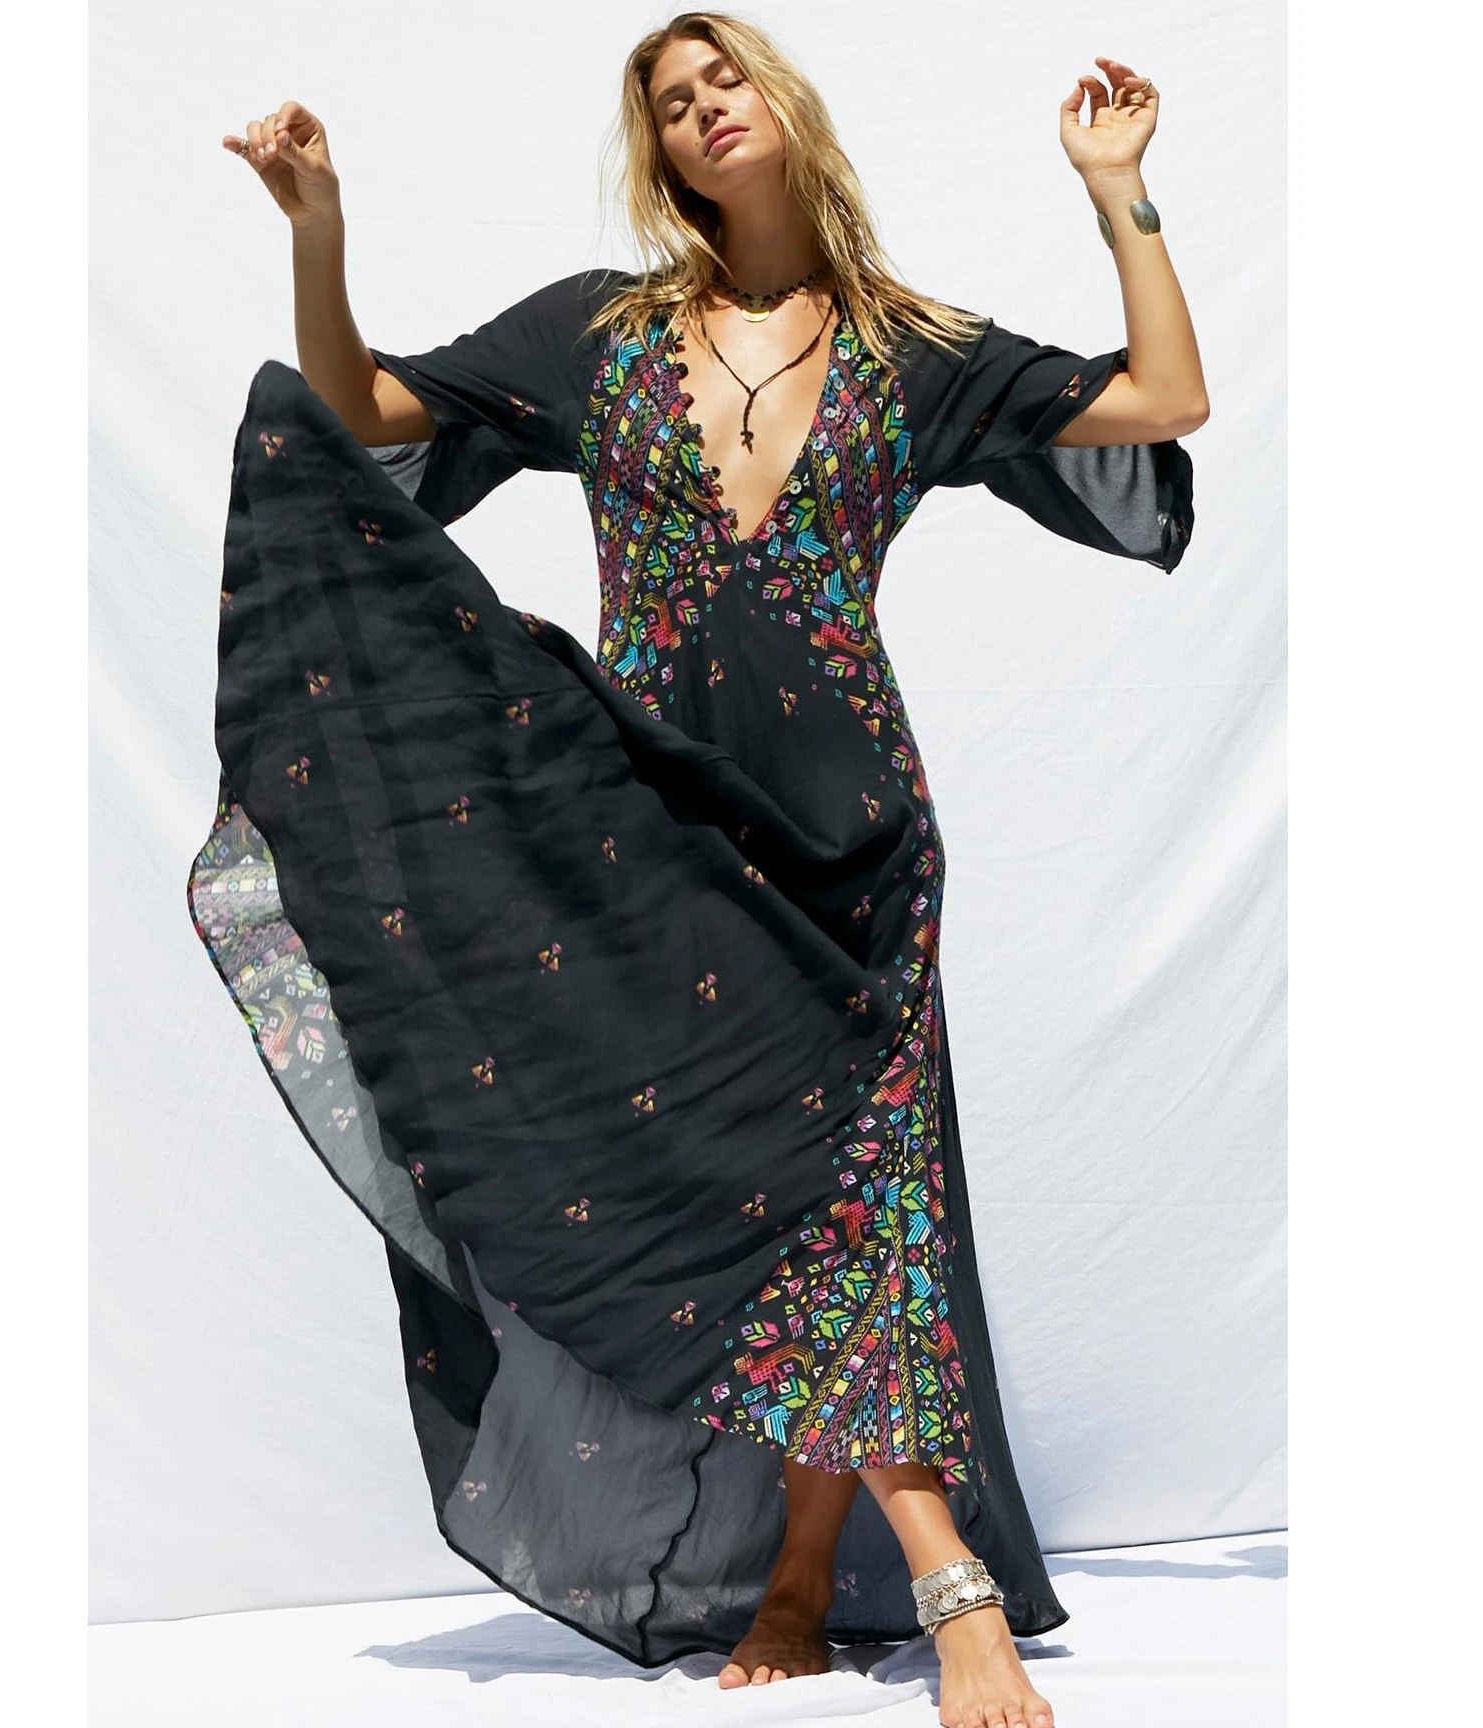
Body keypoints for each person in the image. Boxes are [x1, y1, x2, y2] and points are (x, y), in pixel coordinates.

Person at [193, 13, 1202, 1728]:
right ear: (660, 152)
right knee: (760, 1182)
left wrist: (1121, 192)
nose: (704, 105)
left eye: (724, 75)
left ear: (782, 103)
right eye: (672, 100)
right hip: (658, 823)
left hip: (856, 824)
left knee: (860, 1182)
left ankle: (847, 1577)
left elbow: (1166, 401)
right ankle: (914, 1577)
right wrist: (318, 229)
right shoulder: (602, 334)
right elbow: (362, 413)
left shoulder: (913, 349)